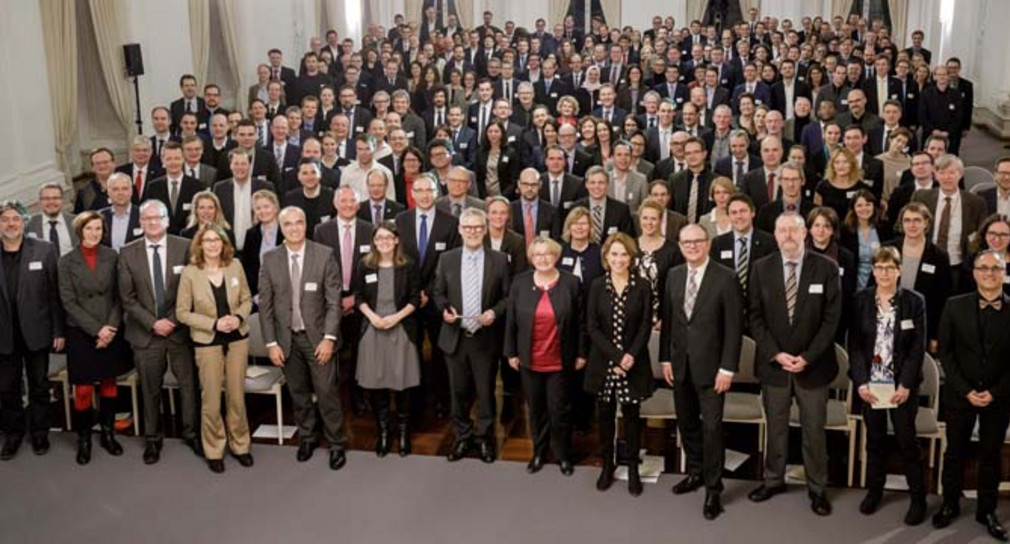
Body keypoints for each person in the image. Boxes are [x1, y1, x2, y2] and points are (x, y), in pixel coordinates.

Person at [748, 213, 841, 517]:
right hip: (775, 366)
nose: (788, 235)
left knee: (814, 430)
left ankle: (817, 488)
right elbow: (755, 317)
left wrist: (808, 356)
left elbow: (831, 320)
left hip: (812, 366)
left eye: (794, 229)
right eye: (782, 229)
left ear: (805, 234)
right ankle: (773, 480)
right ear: (775, 235)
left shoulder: (826, 268)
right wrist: (776, 354)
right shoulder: (761, 268)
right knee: (775, 428)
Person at [661, 224, 743, 519]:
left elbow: (734, 329)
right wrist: (665, 360)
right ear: (680, 246)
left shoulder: (727, 277)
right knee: (687, 424)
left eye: (698, 241)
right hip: (679, 365)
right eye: (686, 242)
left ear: (708, 244)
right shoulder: (673, 275)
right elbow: (670, 322)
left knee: (711, 428)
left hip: (713, 370)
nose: (692, 246)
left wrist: (728, 367)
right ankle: (695, 472)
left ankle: (713, 489)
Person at [258, 206, 346, 470]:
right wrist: (271, 343)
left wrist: (329, 338)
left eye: (299, 223)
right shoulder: (270, 259)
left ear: (306, 224)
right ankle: (307, 437)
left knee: (327, 391)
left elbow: (334, 302)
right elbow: (266, 306)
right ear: (281, 228)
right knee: (298, 393)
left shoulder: (324, 255)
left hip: (318, 339)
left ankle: (336, 443)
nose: (294, 228)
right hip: (286, 341)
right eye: (288, 224)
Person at [118, 200, 202, 464]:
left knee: (188, 386)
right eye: (146, 218)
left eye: (157, 218)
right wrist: (154, 322)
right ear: (140, 223)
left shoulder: (184, 247)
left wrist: (172, 320)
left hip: (179, 331)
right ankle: (153, 439)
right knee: (150, 388)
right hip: (145, 334)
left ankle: (192, 433)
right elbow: (127, 298)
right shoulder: (127, 253)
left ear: (166, 221)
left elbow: (192, 291)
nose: (152, 222)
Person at [934, 251, 1010, 540]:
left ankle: (987, 511)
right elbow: (946, 353)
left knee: (991, 456)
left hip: (998, 398)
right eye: (983, 268)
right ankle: (949, 504)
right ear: (975, 273)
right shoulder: (954, 306)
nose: (989, 273)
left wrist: (995, 392)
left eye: (995, 268)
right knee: (955, 452)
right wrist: (966, 390)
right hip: (959, 395)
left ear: (1003, 273)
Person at [849, 246, 928, 526]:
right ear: (873, 271)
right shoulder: (860, 300)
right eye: (879, 267)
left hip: (901, 386)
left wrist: (906, 385)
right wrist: (860, 383)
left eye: (890, 267)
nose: (884, 273)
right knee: (875, 440)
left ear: (899, 270)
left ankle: (918, 498)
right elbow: (855, 346)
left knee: (907, 442)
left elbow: (917, 349)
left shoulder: (914, 302)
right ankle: (874, 491)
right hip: (870, 385)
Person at [433, 208, 511, 463]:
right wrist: (445, 310)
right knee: (458, 393)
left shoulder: (499, 260)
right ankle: (462, 437)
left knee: (486, 392)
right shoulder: (447, 259)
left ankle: (484, 438)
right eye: (468, 227)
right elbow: (438, 293)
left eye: (478, 227)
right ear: (460, 230)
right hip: (455, 337)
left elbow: (508, 297)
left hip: (485, 339)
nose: (473, 232)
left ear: (485, 229)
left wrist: (494, 312)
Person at [505, 236, 586, 475]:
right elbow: (511, 321)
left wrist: (582, 353)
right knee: (536, 410)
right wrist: (510, 352)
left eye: (547, 254)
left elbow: (581, 322)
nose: (543, 258)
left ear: (556, 256)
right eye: (537, 254)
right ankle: (539, 452)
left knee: (560, 411)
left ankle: (563, 455)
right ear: (531, 258)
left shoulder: (571, 283)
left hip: (560, 360)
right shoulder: (519, 283)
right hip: (530, 360)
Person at [176, 226, 253, 473]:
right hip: (207, 342)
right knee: (210, 399)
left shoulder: (235, 266)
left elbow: (247, 300)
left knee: (236, 397)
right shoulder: (190, 273)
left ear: (223, 243)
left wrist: (238, 317)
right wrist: (213, 323)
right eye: (207, 240)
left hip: (237, 340)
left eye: (216, 240)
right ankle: (214, 449)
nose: (212, 245)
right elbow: (182, 312)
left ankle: (240, 445)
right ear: (199, 244)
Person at [57, 212, 131, 464]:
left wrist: (109, 328)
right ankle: (84, 438)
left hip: (110, 329)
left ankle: (109, 434)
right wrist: (96, 330)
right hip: (81, 332)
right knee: (84, 389)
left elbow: (120, 296)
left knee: (109, 385)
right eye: (89, 228)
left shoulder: (112, 256)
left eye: (99, 228)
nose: (95, 233)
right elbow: (68, 301)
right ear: (80, 230)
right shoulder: (66, 262)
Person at [587, 233, 654, 496]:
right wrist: (616, 357)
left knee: (632, 417)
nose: (619, 259)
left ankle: (634, 469)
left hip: (633, 364)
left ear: (631, 257)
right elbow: (592, 327)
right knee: (605, 417)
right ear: (606, 257)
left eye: (624, 254)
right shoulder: (596, 286)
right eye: (614, 254)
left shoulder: (643, 286)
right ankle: (607, 465)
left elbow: (645, 325)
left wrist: (629, 357)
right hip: (604, 364)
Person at [395, 174, 461, 420]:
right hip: (408, 300)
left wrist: (430, 292)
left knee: (440, 353)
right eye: (419, 190)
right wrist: (415, 292)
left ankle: (442, 400)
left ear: (436, 192)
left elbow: (451, 263)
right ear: (412, 193)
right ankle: (414, 402)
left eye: (429, 190)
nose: (424, 195)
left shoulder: (450, 223)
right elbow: (397, 262)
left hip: (437, 300)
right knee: (410, 352)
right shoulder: (400, 221)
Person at [354, 221, 421, 457]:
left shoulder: (409, 265)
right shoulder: (365, 265)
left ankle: (403, 432)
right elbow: (358, 296)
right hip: (373, 330)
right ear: (374, 241)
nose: (384, 241)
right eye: (379, 237)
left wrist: (396, 317)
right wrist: (372, 317)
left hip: (401, 329)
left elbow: (415, 298)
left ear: (396, 240)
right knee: (376, 382)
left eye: (388, 237)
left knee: (402, 382)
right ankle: (383, 432)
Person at [806, 207, 858, 344]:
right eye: (816, 225)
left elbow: (848, 292)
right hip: (805, 321)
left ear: (833, 230)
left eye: (826, 226)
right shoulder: (799, 255)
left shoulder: (846, 257)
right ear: (809, 229)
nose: (821, 230)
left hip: (836, 320)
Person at [636, 199, 681, 327]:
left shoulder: (673, 250)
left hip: (662, 319)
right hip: (634, 318)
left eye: (653, 219)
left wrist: (665, 319)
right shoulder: (630, 247)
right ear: (639, 220)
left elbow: (676, 289)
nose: (649, 223)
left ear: (660, 221)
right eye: (645, 218)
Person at [841, 190, 892, 290]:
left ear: (874, 207)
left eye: (868, 204)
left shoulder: (884, 228)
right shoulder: (845, 230)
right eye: (859, 205)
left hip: (880, 280)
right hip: (853, 281)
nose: (864, 208)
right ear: (853, 208)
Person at [241, 190, 284, 302]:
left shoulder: (287, 231)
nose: (262, 211)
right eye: (258, 208)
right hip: (260, 296)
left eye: (266, 206)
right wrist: (255, 295)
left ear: (275, 207)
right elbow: (247, 268)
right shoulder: (251, 234)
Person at [814, 147, 872, 221]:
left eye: (845, 162)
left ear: (852, 164)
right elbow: (817, 213)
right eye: (837, 162)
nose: (841, 166)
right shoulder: (822, 187)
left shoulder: (862, 188)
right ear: (832, 165)